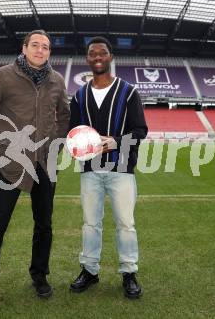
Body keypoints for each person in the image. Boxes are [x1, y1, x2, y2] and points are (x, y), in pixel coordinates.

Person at [0, 30, 70, 312]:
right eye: (35, 45)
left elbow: (64, 116)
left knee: (44, 226)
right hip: (10, 163)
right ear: (24, 48)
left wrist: (55, 147)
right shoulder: (4, 75)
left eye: (46, 47)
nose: (40, 50)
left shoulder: (57, 80)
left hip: (45, 165)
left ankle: (39, 276)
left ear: (49, 52)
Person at [68, 36, 148, 299]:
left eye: (102, 53)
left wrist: (115, 141)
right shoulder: (79, 96)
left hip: (121, 169)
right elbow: (73, 131)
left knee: (126, 224)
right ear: (88, 59)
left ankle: (129, 273)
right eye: (93, 54)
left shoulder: (129, 91)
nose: (98, 57)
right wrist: (78, 145)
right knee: (91, 224)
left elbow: (140, 131)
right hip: (90, 170)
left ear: (110, 57)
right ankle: (89, 271)